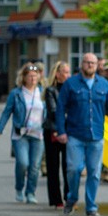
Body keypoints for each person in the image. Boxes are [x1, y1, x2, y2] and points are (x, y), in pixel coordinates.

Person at [54, 52, 108, 216]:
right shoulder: (71, 84)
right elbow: (60, 109)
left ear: (97, 65)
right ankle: (71, 198)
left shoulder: (104, 85)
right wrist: (61, 131)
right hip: (75, 135)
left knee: (94, 172)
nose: (90, 65)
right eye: (87, 62)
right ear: (82, 65)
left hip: (96, 136)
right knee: (73, 169)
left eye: (93, 63)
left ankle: (91, 206)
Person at [0, 62, 47, 204]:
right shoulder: (16, 94)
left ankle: (30, 192)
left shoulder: (42, 92)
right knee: (23, 163)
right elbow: (6, 112)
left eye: (35, 76)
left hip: (38, 134)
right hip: (21, 134)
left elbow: (48, 112)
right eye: (30, 76)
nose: (32, 79)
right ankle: (19, 188)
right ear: (23, 77)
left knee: (35, 166)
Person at [43, 61, 71, 207]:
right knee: (53, 167)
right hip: (53, 131)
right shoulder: (50, 90)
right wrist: (69, 116)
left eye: (68, 72)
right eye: (65, 72)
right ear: (57, 74)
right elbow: (53, 111)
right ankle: (55, 199)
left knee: (69, 166)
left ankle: (69, 197)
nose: (68, 75)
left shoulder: (72, 89)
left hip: (69, 132)